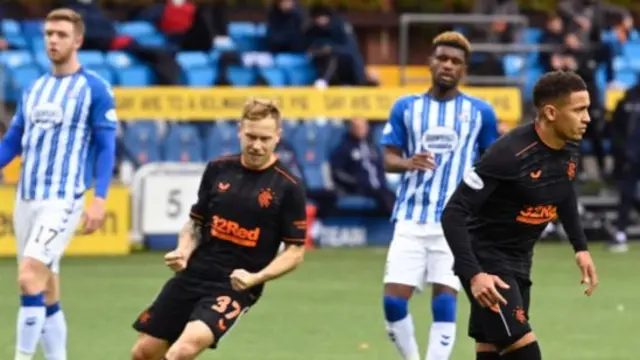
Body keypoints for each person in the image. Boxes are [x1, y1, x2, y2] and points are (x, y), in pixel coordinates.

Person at [130, 99, 307, 360]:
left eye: (265, 139)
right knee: (144, 352)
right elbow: (195, 223)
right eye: (251, 136)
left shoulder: (288, 186)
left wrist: (255, 278)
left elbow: (295, 252)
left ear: (278, 137)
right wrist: (183, 250)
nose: (257, 145)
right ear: (239, 131)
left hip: (234, 286)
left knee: (181, 352)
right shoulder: (218, 169)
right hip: (195, 273)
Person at [441, 70, 599, 360]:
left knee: (491, 349)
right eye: (579, 110)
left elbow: (563, 190)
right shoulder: (507, 154)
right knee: (524, 352)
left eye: (587, 108)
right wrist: (475, 274)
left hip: (520, 260)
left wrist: (581, 248)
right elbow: (453, 213)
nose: (587, 117)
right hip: (487, 260)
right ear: (551, 113)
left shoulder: (570, 148)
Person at [0, 9, 117, 360]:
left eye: (61, 34)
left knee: (27, 277)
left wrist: (99, 199)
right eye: (49, 33)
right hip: (26, 199)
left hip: (62, 200)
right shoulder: (34, 88)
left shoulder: (94, 89)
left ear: (77, 40)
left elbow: (106, 146)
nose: (53, 39)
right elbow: (12, 141)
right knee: (47, 288)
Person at [380, 31, 499, 360]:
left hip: (455, 222)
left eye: (455, 61)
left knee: (445, 299)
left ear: (464, 70)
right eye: (442, 58)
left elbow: (491, 164)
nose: (447, 65)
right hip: (411, 217)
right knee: (392, 301)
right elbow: (388, 159)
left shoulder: (480, 113)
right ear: (430, 62)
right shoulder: (406, 108)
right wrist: (407, 162)